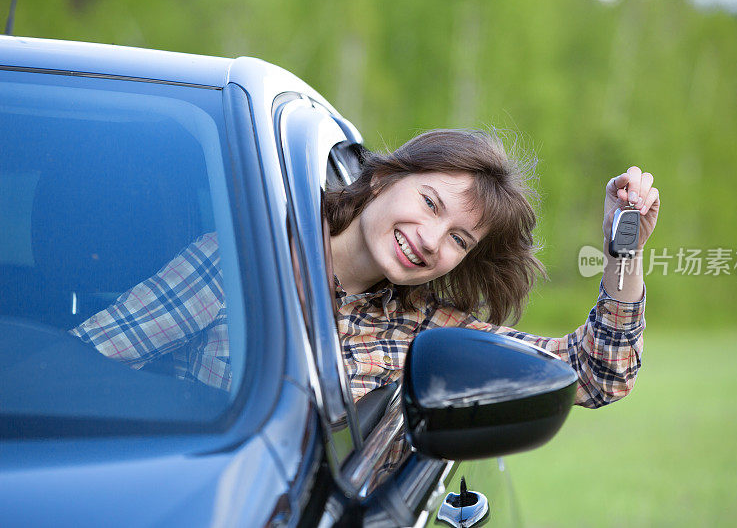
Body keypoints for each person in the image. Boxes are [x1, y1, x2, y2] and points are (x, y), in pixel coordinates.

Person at [71, 129, 659, 412]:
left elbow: (594, 375)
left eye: (459, 238)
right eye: (430, 203)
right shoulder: (244, 261)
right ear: (383, 177)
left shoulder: (427, 331)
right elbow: (84, 364)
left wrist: (621, 253)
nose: (430, 240)